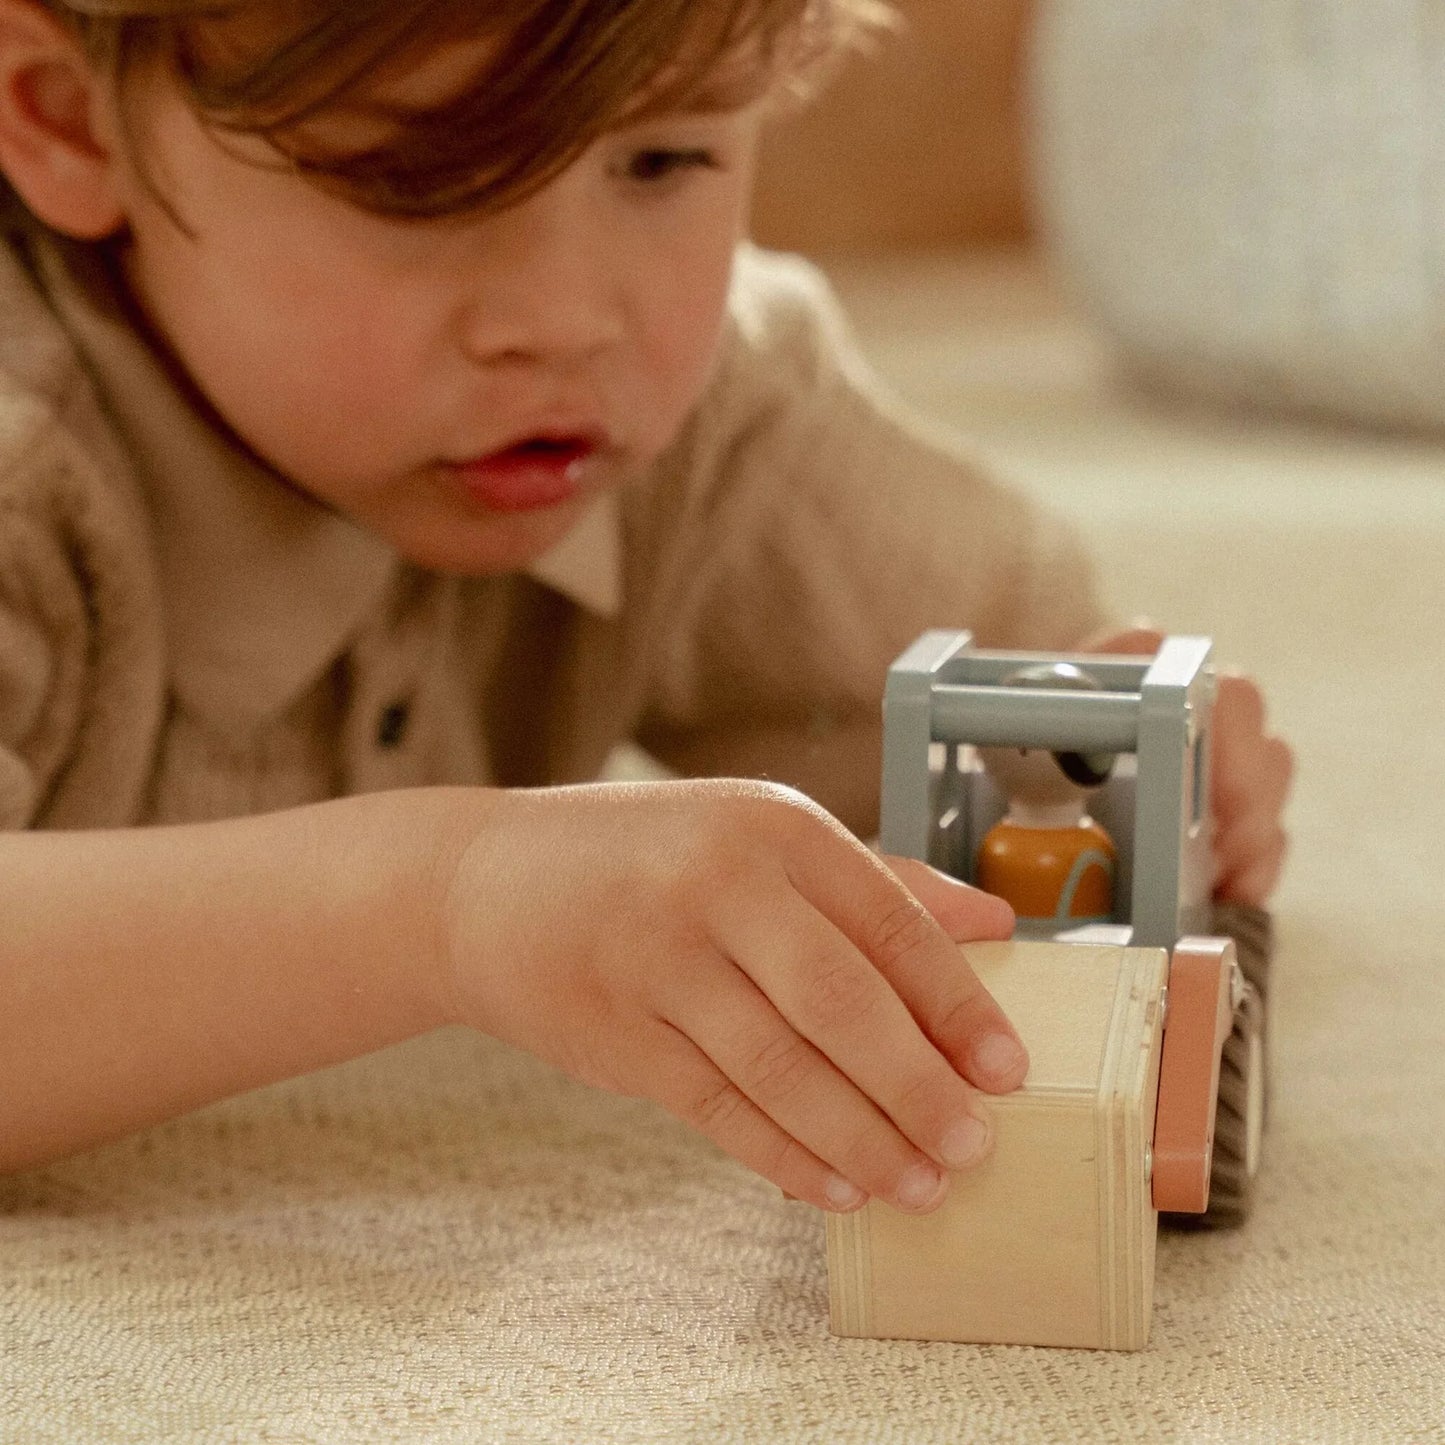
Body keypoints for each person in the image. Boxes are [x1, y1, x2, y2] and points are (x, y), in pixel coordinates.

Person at [0, 0, 1292, 1217]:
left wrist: (1111, 744)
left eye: (663, 162)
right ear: (65, 117)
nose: (565, 320)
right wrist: (444, 902)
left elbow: (1015, 679)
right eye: (417, 181)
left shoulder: (704, 415)